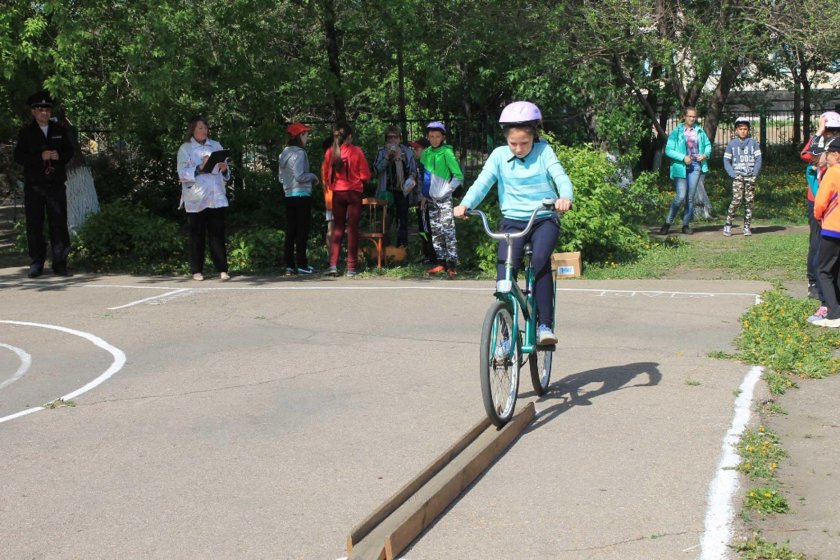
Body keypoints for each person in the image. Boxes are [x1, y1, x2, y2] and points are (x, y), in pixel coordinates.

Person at [454, 101, 573, 345]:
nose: (518, 149)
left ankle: (544, 326)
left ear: (534, 137)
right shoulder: (499, 156)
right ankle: (506, 338)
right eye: (513, 143)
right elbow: (482, 182)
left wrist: (565, 198)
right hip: (513, 222)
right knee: (504, 273)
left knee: (539, 261)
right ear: (506, 139)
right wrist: (465, 204)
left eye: (524, 143)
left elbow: (560, 176)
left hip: (543, 218)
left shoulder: (544, 152)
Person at [13, 91, 75, 278]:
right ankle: (36, 263)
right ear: (33, 112)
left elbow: (69, 151)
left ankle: (60, 263)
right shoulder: (26, 132)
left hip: (55, 184)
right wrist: (39, 157)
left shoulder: (60, 130)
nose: (44, 113)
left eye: (47, 109)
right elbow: (19, 157)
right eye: (40, 110)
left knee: (59, 224)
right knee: (35, 224)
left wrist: (59, 156)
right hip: (35, 185)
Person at [176, 116, 231, 282]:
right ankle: (196, 270)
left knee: (217, 234)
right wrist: (200, 167)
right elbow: (182, 173)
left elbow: (227, 171)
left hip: (216, 196)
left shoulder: (216, 145)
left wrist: (224, 168)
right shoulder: (185, 149)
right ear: (193, 129)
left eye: (205, 127)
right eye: (200, 128)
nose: (204, 130)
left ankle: (222, 269)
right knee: (196, 235)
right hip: (196, 198)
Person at [801, 111, 840, 303]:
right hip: (817, 199)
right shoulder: (817, 141)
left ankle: (832, 284)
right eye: (829, 130)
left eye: (835, 130)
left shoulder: (837, 145)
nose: (832, 134)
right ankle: (814, 282)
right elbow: (808, 156)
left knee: (833, 245)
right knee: (817, 243)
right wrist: (819, 132)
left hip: (835, 203)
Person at [325, 123, 371, 276]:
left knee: (337, 229)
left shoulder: (330, 152)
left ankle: (333, 265)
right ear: (349, 137)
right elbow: (365, 175)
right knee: (352, 230)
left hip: (337, 193)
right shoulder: (356, 151)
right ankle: (351, 268)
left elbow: (326, 175)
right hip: (354, 193)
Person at [659, 107, 712, 235]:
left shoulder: (699, 131)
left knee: (690, 198)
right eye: (689, 116)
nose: (692, 119)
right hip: (680, 167)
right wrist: (683, 157)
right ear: (684, 116)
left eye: (694, 117)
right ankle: (667, 223)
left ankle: (686, 224)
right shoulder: (676, 132)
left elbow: (708, 146)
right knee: (680, 196)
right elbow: (668, 151)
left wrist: (704, 155)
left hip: (695, 166)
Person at [420, 121, 463, 276]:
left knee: (448, 230)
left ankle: (452, 264)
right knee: (436, 231)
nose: (434, 139)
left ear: (443, 137)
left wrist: (447, 191)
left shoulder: (447, 153)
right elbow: (425, 177)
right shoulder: (426, 153)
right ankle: (441, 263)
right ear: (428, 137)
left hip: (444, 199)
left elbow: (458, 176)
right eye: (431, 136)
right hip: (431, 200)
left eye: (437, 136)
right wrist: (424, 196)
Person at [279, 122, 319, 275]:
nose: (307, 137)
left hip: (289, 195)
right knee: (302, 231)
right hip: (302, 195)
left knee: (291, 231)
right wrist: (313, 177)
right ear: (300, 135)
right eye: (306, 134)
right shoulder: (300, 153)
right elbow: (300, 176)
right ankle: (302, 264)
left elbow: (281, 178)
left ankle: (290, 265)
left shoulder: (283, 153)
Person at [811, 138, 840, 328]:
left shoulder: (833, 172)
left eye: (828, 153)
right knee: (837, 270)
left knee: (822, 269)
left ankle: (834, 313)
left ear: (837, 154)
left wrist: (818, 215)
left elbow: (820, 201)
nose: (826, 157)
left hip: (832, 227)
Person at [373, 126, 417, 248]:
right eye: (390, 137)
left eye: (395, 137)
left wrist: (412, 178)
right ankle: (385, 250)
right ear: (386, 139)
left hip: (403, 191)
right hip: (387, 192)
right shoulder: (382, 152)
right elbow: (377, 170)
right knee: (386, 221)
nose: (393, 140)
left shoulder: (407, 152)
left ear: (399, 138)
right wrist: (388, 157)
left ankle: (402, 248)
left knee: (402, 220)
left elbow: (413, 170)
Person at [722, 116, 762, 237]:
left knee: (749, 202)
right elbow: (726, 160)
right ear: (736, 130)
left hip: (750, 176)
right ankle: (728, 224)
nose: (743, 131)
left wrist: (754, 173)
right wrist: (733, 174)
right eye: (740, 129)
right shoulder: (732, 144)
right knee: (736, 200)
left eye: (745, 129)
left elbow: (758, 159)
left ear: (748, 130)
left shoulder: (753, 143)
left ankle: (747, 226)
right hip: (738, 176)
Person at [409, 137, 436, 264]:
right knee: (423, 228)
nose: (415, 151)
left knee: (426, 229)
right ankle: (427, 254)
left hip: (426, 201)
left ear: (425, 150)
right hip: (421, 200)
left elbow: (429, 182)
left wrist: (424, 197)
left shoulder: (429, 162)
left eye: (417, 149)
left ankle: (431, 255)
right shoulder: (420, 163)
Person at [320, 136, 335, 252]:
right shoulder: (331, 163)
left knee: (331, 228)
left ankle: (331, 256)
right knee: (335, 229)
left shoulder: (325, 163)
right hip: (337, 199)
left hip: (330, 200)